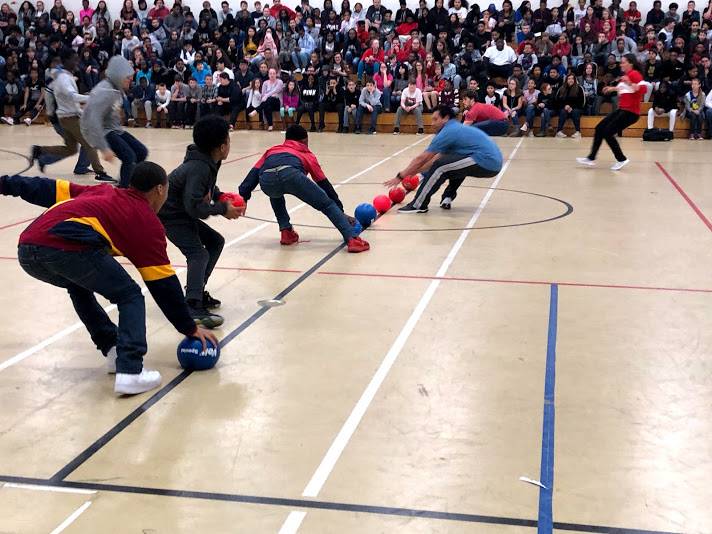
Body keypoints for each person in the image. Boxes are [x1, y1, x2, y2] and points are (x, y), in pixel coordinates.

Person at [2, 162, 217, 395]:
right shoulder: (145, 221)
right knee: (130, 295)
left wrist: (4, 184)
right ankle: (131, 371)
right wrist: (188, 328)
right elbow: (164, 285)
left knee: (79, 286)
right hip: (64, 247)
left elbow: (43, 188)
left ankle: (114, 350)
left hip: (27, 249)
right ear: (159, 190)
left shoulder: (103, 191)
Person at [159, 116, 243, 327]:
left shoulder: (208, 160)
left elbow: (204, 188)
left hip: (181, 213)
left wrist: (219, 196)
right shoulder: (200, 167)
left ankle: (196, 291)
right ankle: (193, 305)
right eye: (229, 140)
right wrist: (222, 209)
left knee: (215, 241)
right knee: (198, 253)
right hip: (172, 216)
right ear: (222, 146)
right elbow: (194, 207)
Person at [238, 125, 370, 253]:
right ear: (304, 140)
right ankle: (352, 239)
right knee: (327, 205)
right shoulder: (306, 154)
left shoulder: (271, 151)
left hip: (266, 180)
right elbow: (324, 184)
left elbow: (253, 173)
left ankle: (286, 232)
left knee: (275, 194)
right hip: (291, 175)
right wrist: (340, 212)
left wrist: (243, 196)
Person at [385, 105, 503, 213]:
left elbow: (422, 158)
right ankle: (447, 197)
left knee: (441, 166)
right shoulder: (454, 128)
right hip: (491, 161)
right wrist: (413, 172)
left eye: (435, 119)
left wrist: (401, 176)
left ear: (446, 118)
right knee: (451, 164)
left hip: (487, 161)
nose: (432, 123)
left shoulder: (448, 131)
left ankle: (418, 205)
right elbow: (434, 159)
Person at [31, 49, 111, 182]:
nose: (77, 62)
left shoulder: (64, 76)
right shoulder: (63, 79)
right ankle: (100, 172)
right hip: (69, 118)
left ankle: (40, 150)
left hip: (66, 117)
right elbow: (72, 96)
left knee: (71, 149)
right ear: (66, 61)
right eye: (74, 59)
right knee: (89, 143)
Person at [81, 56, 149, 188]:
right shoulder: (104, 92)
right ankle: (122, 191)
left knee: (141, 152)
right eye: (128, 78)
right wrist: (104, 148)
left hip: (114, 129)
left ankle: (128, 182)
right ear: (118, 75)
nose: (130, 80)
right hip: (102, 131)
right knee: (129, 158)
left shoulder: (116, 88)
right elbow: (92, 121)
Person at [576, 54, 644, 171]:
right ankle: (591, 158)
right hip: (623, 110)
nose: (621, 64)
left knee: (607, 133)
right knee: (599, 128)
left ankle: (621, 159)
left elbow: (642, 89)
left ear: (630, 63)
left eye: (623, 62)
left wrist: (629, 83)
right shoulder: (627, 75)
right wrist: (612, 88)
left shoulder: (635, 74)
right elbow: (625, 89)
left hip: (631, 113)